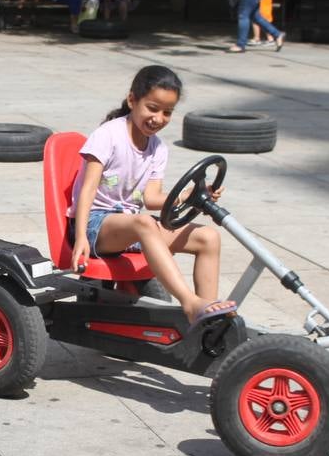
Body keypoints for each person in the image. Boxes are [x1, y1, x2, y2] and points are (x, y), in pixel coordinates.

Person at [68, 65, 236, 326]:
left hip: (129, 226)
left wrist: (192, 195)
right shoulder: (108, 135)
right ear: (132, 100)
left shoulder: (157, 148)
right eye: (152, 108)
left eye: (167, 112)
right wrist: (80, 237)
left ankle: (207, 319)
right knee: (145, 222)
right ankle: (189, 303)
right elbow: (86, 190)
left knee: (208, 237)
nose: (158, 118)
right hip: (94, 224)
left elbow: (152, 198)